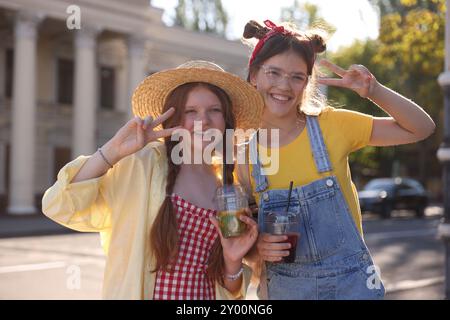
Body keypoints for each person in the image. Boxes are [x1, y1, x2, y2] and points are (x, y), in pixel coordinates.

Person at [238, 20, 435, 300]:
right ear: (254, 75)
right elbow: (241, 239)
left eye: (297, 76)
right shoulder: (244, 154)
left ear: (307, 82)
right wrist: (260, 247)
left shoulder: (332, 126)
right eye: (274, 72)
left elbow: (422, 128)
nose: (284, 85)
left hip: (353, 289)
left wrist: (374, 91)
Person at [41, 60, 265, 300]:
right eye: (191, 111)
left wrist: (232, 262)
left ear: (226, 120)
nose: (204, 120)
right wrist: (111, 152)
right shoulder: (143, 164)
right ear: (175, 118)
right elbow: (59, 205)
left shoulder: (229, 185)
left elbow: (231, 291)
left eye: (214, 110)